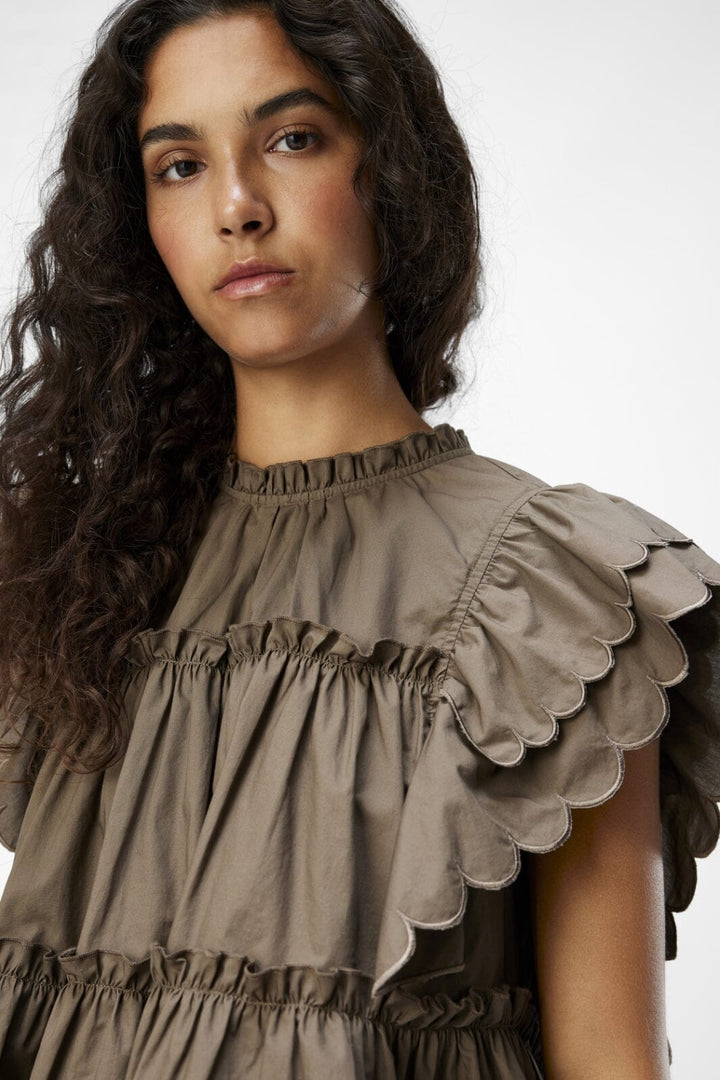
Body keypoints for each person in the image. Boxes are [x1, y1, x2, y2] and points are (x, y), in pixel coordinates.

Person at [0, 0, 718, 1076]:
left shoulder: (552, 597)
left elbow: (611, 1062)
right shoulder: (82, 575)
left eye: (292, 139)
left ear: (390, 171)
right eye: (180, 166)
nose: (237, 207)